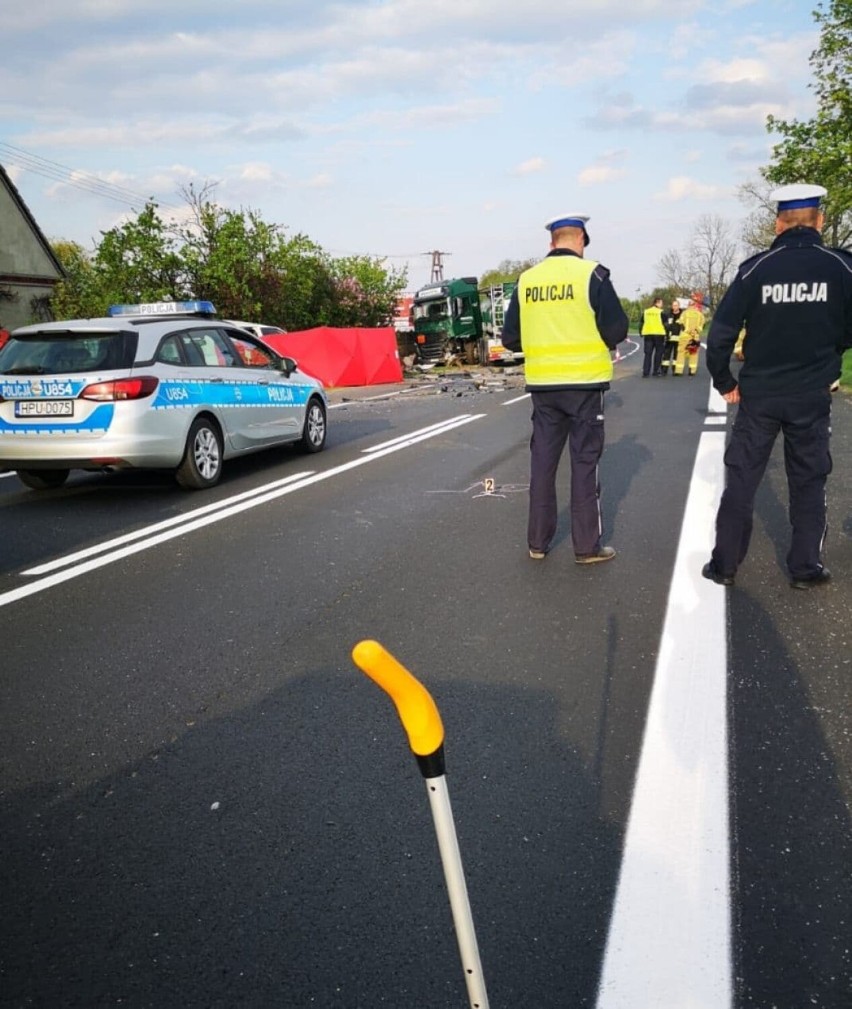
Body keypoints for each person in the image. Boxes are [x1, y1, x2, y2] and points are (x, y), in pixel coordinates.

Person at [702, 183, 852, 590]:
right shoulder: (840, 267)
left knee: (743, 478)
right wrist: (829, 351)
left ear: (777, 224)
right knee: (809, 479)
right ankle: (805, 568)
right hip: (811, 394)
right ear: (819, 221)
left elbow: (719, 336)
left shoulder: (755, 269)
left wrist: (724, 381)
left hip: (759, 397)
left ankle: (725, 565)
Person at [502, 213, 629, 564]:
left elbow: (510, 337)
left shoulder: (526, 280)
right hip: (585, 385)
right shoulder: (594, 275)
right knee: (585, 463)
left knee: (542, 463)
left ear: (551, 242)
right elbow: (617, 330)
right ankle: (586, 547)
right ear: (582, 241)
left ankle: (538, 544)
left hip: (543, 386)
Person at [674, 293, 705, 375]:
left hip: (685, 336)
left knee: (681, 353)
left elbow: (680, 323)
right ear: (695, 305)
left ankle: (679, 371)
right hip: (695, 336)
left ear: (688, 305)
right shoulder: (700, 315)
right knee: (693, 353)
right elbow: (702, 325)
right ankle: (692, 371)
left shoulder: (684, 313)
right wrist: (696, 331)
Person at [640, 297, 666, 377]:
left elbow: (641, 322)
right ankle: (656, 371)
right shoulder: (661, 312)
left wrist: (641, 332)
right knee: (658, 353)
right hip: (659, 335)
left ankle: (645, 372)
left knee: (648, 354)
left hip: (648, 335)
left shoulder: (646, 312)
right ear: (657, 303)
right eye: (661, 303)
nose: (662, 305)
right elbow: (666, 324)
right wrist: (667, 334)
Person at [661, 299, 683, 374]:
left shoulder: (683, 315)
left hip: (679, 338)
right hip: (669, 338)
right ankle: (664, 370)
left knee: (677, 355)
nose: (674, 307)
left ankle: (675, 370)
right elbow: (664, 323)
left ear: (679, 306)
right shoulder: (668, 314)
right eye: (673, 305)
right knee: (666, 354)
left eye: (676, 305)